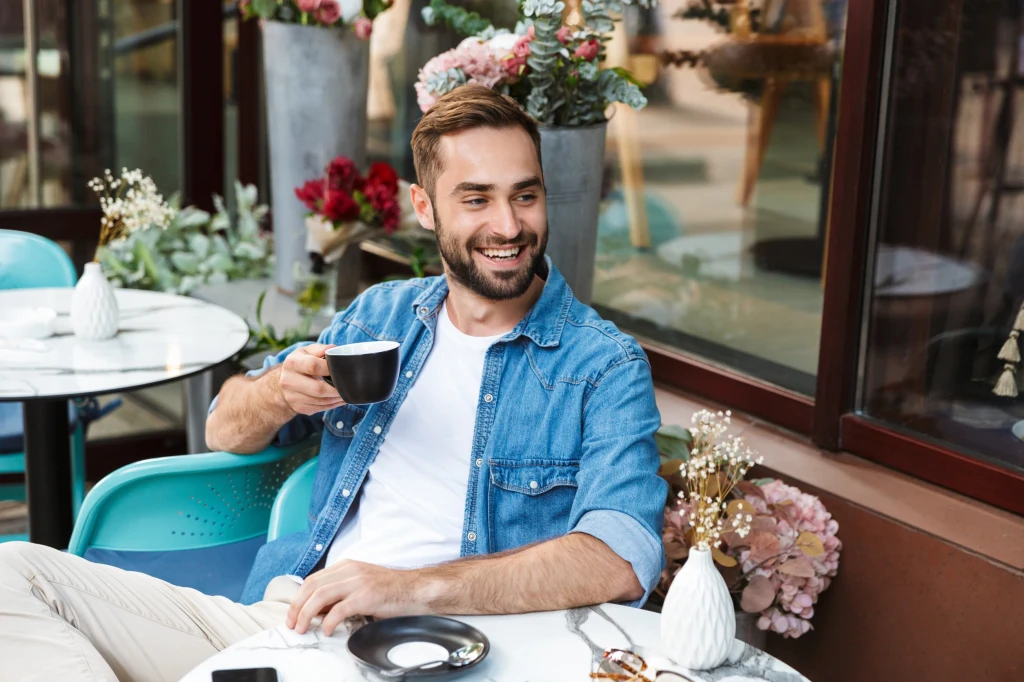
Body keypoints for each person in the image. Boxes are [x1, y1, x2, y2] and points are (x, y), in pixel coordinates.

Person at [0, 85, 666, 682]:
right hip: (290, 620)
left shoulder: (600, 365)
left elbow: (620, 560)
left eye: (525, 194)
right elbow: (223, 426)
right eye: (477, 199)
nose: (510, 225)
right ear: (425, 209)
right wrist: (275, 393)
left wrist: (407, 589)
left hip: (451, 650)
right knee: (13, 577)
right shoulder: (382, 317)